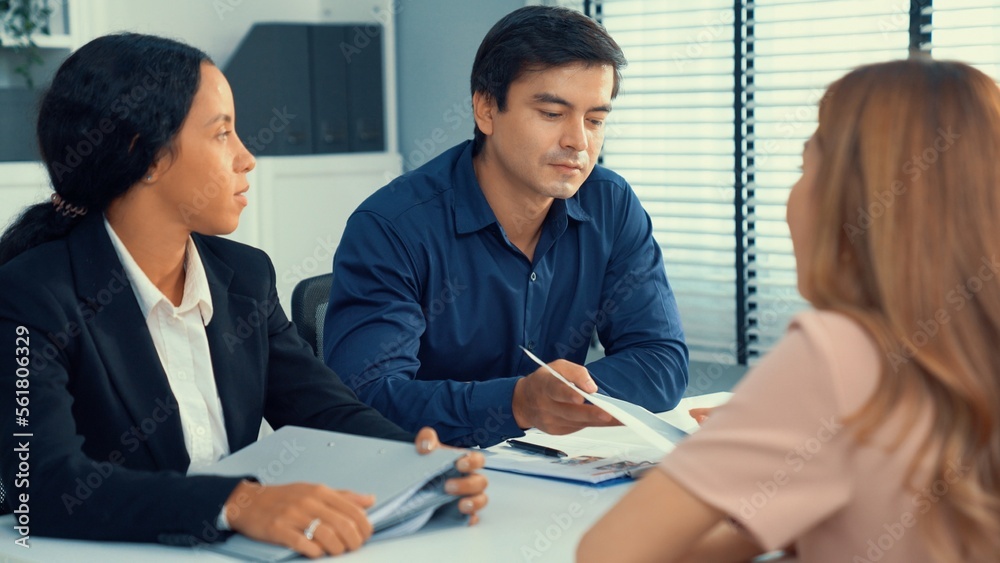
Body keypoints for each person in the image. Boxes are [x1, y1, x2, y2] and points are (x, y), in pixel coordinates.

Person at [0, 33, 487, 559]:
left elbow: (325, 412)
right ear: (145, 156)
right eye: (222, 134)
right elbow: (41, 486)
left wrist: (419, 466)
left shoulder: (244, 277)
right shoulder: (31, 295)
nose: (247, 158)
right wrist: (237, 503)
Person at [578, 58, 1000, 562]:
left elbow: (609, 553)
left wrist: (737, 455)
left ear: (853, 198)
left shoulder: (838, 354)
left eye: (806, 166)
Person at [323, 5, 688, 448]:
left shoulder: (610, 204)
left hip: (554, 469)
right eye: (552, 114)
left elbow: (661, 361)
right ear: (486, 109)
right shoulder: (391, 228)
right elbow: (368, 398)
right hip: (432, 478)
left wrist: (559, 398)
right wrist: (518, 404)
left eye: (595, 120)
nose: (578, 141)